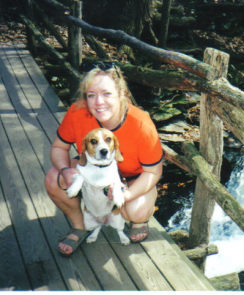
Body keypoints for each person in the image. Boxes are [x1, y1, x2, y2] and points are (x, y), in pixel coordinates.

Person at [45, 62, 164, 256]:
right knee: (53, 179)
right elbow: (59, 147)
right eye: (91, 95)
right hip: (93, 169)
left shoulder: (141, 124)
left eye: (107, 94)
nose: (98, 102)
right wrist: (66, 170)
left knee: (135, 211)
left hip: (132, 176)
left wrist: (125, 195)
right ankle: (79, 226)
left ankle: (139, 217)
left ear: (121, 94)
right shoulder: (77, 113)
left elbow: (154, 171)